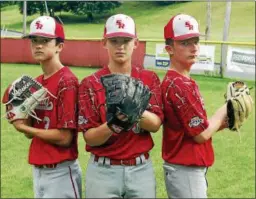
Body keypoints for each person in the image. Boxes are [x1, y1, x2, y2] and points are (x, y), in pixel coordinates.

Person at [78, 13, 163, 198]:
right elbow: (90, 138)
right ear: (104, 42)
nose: (120, 46)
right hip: (102, 171)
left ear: (136, 43)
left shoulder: (149, 78)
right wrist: (114, 124)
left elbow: (156, 124)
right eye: (114, 40)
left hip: (141, 169)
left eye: (126, 40)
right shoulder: (90, 83)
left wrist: (134, 109)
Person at [6, 16, 82, 198]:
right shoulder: (36, 84)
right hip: (39, 169)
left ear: (59, 46)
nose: (38, 45)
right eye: (34, 40)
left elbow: (65, 137)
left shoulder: (67, 82)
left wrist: (23, 126)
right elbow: (29, 133)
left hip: (61, 171)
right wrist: (20, 117)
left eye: (45, 41)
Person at [161, 14, 228, 198]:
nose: (194, 48)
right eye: (185, 43)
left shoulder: (183, 81)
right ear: (169, 48)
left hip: (186, 169)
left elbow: (193, 129)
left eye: (196, 41)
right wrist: (223, 111)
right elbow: (200, 135)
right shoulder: (179, 85)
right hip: (185, 171)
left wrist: (222, 123)